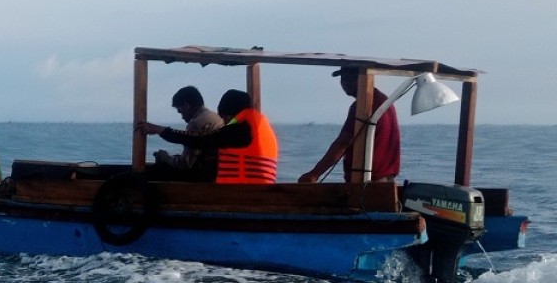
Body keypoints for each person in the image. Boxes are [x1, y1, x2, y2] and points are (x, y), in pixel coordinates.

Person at [138, 89, 278, 184]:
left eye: (225, 118)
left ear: (231, 112)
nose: (224, 123)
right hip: (258, 186)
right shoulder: (256, 125)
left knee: (153, 174)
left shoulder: (240, 129)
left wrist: (159, 130)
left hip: (242, 190)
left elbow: (197, 141)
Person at [298, 66, 401, 183]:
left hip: (369, 182)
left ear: (363, 79)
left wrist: (315, 173)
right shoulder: (384, 102)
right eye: (343, 78)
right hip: (385, 180)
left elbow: (343, 142)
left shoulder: (364, 106)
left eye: (350, 78)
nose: (345, 83)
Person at [136, 86, 224, 181]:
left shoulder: (196, 123)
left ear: (186, 106)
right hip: (216, 170)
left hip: (206, 177)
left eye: (180, 111)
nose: (182, 117)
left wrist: (164, 157)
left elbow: (185, 164)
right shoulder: (213, 116)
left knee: (153, 173)